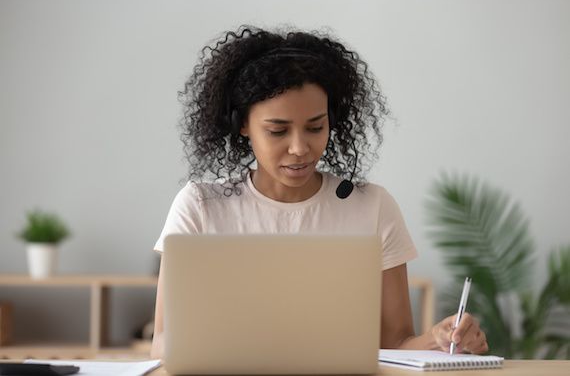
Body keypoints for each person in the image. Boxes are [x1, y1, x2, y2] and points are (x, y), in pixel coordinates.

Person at [150, 25, 488, 359]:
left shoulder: (372, 207)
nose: (300, 148)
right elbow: (163, 343)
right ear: (242, 125)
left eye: (316, 127)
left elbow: (395, 345)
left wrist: (438, 340)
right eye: (277, 131)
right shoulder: (200, 206)